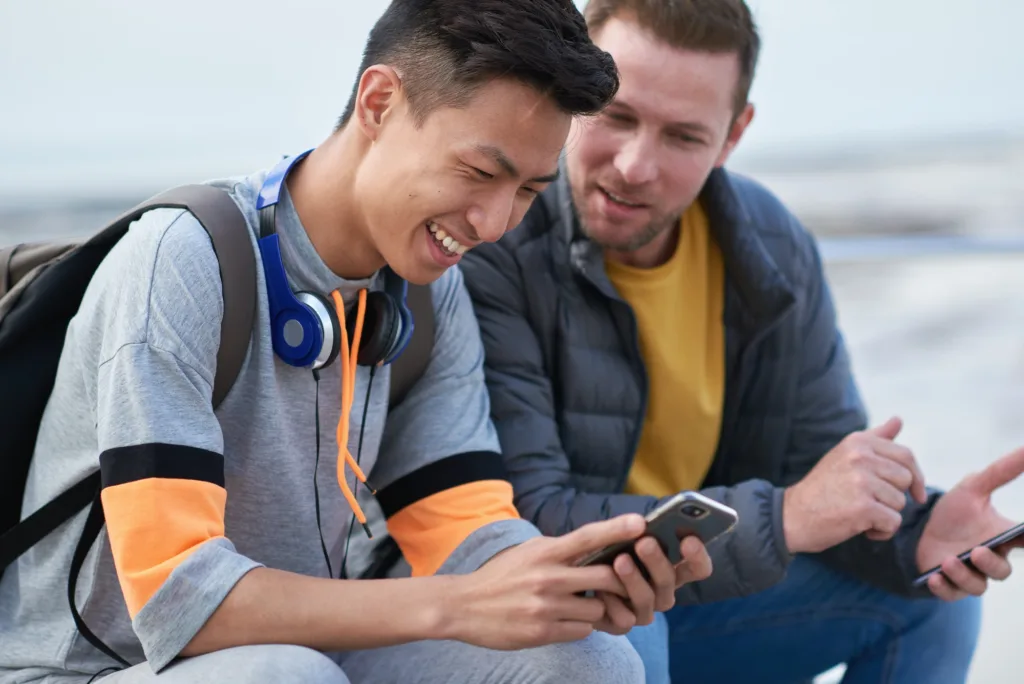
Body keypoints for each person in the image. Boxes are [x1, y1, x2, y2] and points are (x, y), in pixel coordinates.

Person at [0, 1, 720, 683]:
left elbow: (465, 533)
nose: (496, 222)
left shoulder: (429, 294)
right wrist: (459, 604)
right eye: (478, 172)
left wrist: (572, 583)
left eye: (529, 190)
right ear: (378, 102)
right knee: (291, 675)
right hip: (92, 669)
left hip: (301, 658)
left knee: (587, 657)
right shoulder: (182, 260)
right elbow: (178, 601)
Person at [459, 1, 1024, 682]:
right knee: (617, 630)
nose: (637, 166)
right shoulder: (494, 239)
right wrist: (785, 517)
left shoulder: (773, 245)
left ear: (733, 135)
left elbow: (818, 474)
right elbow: (527, 520)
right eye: (616, 116)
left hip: (697, 600)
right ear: (572, 90)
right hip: (542, 621)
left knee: (933, 597)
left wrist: (911, 537)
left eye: (684, 137)